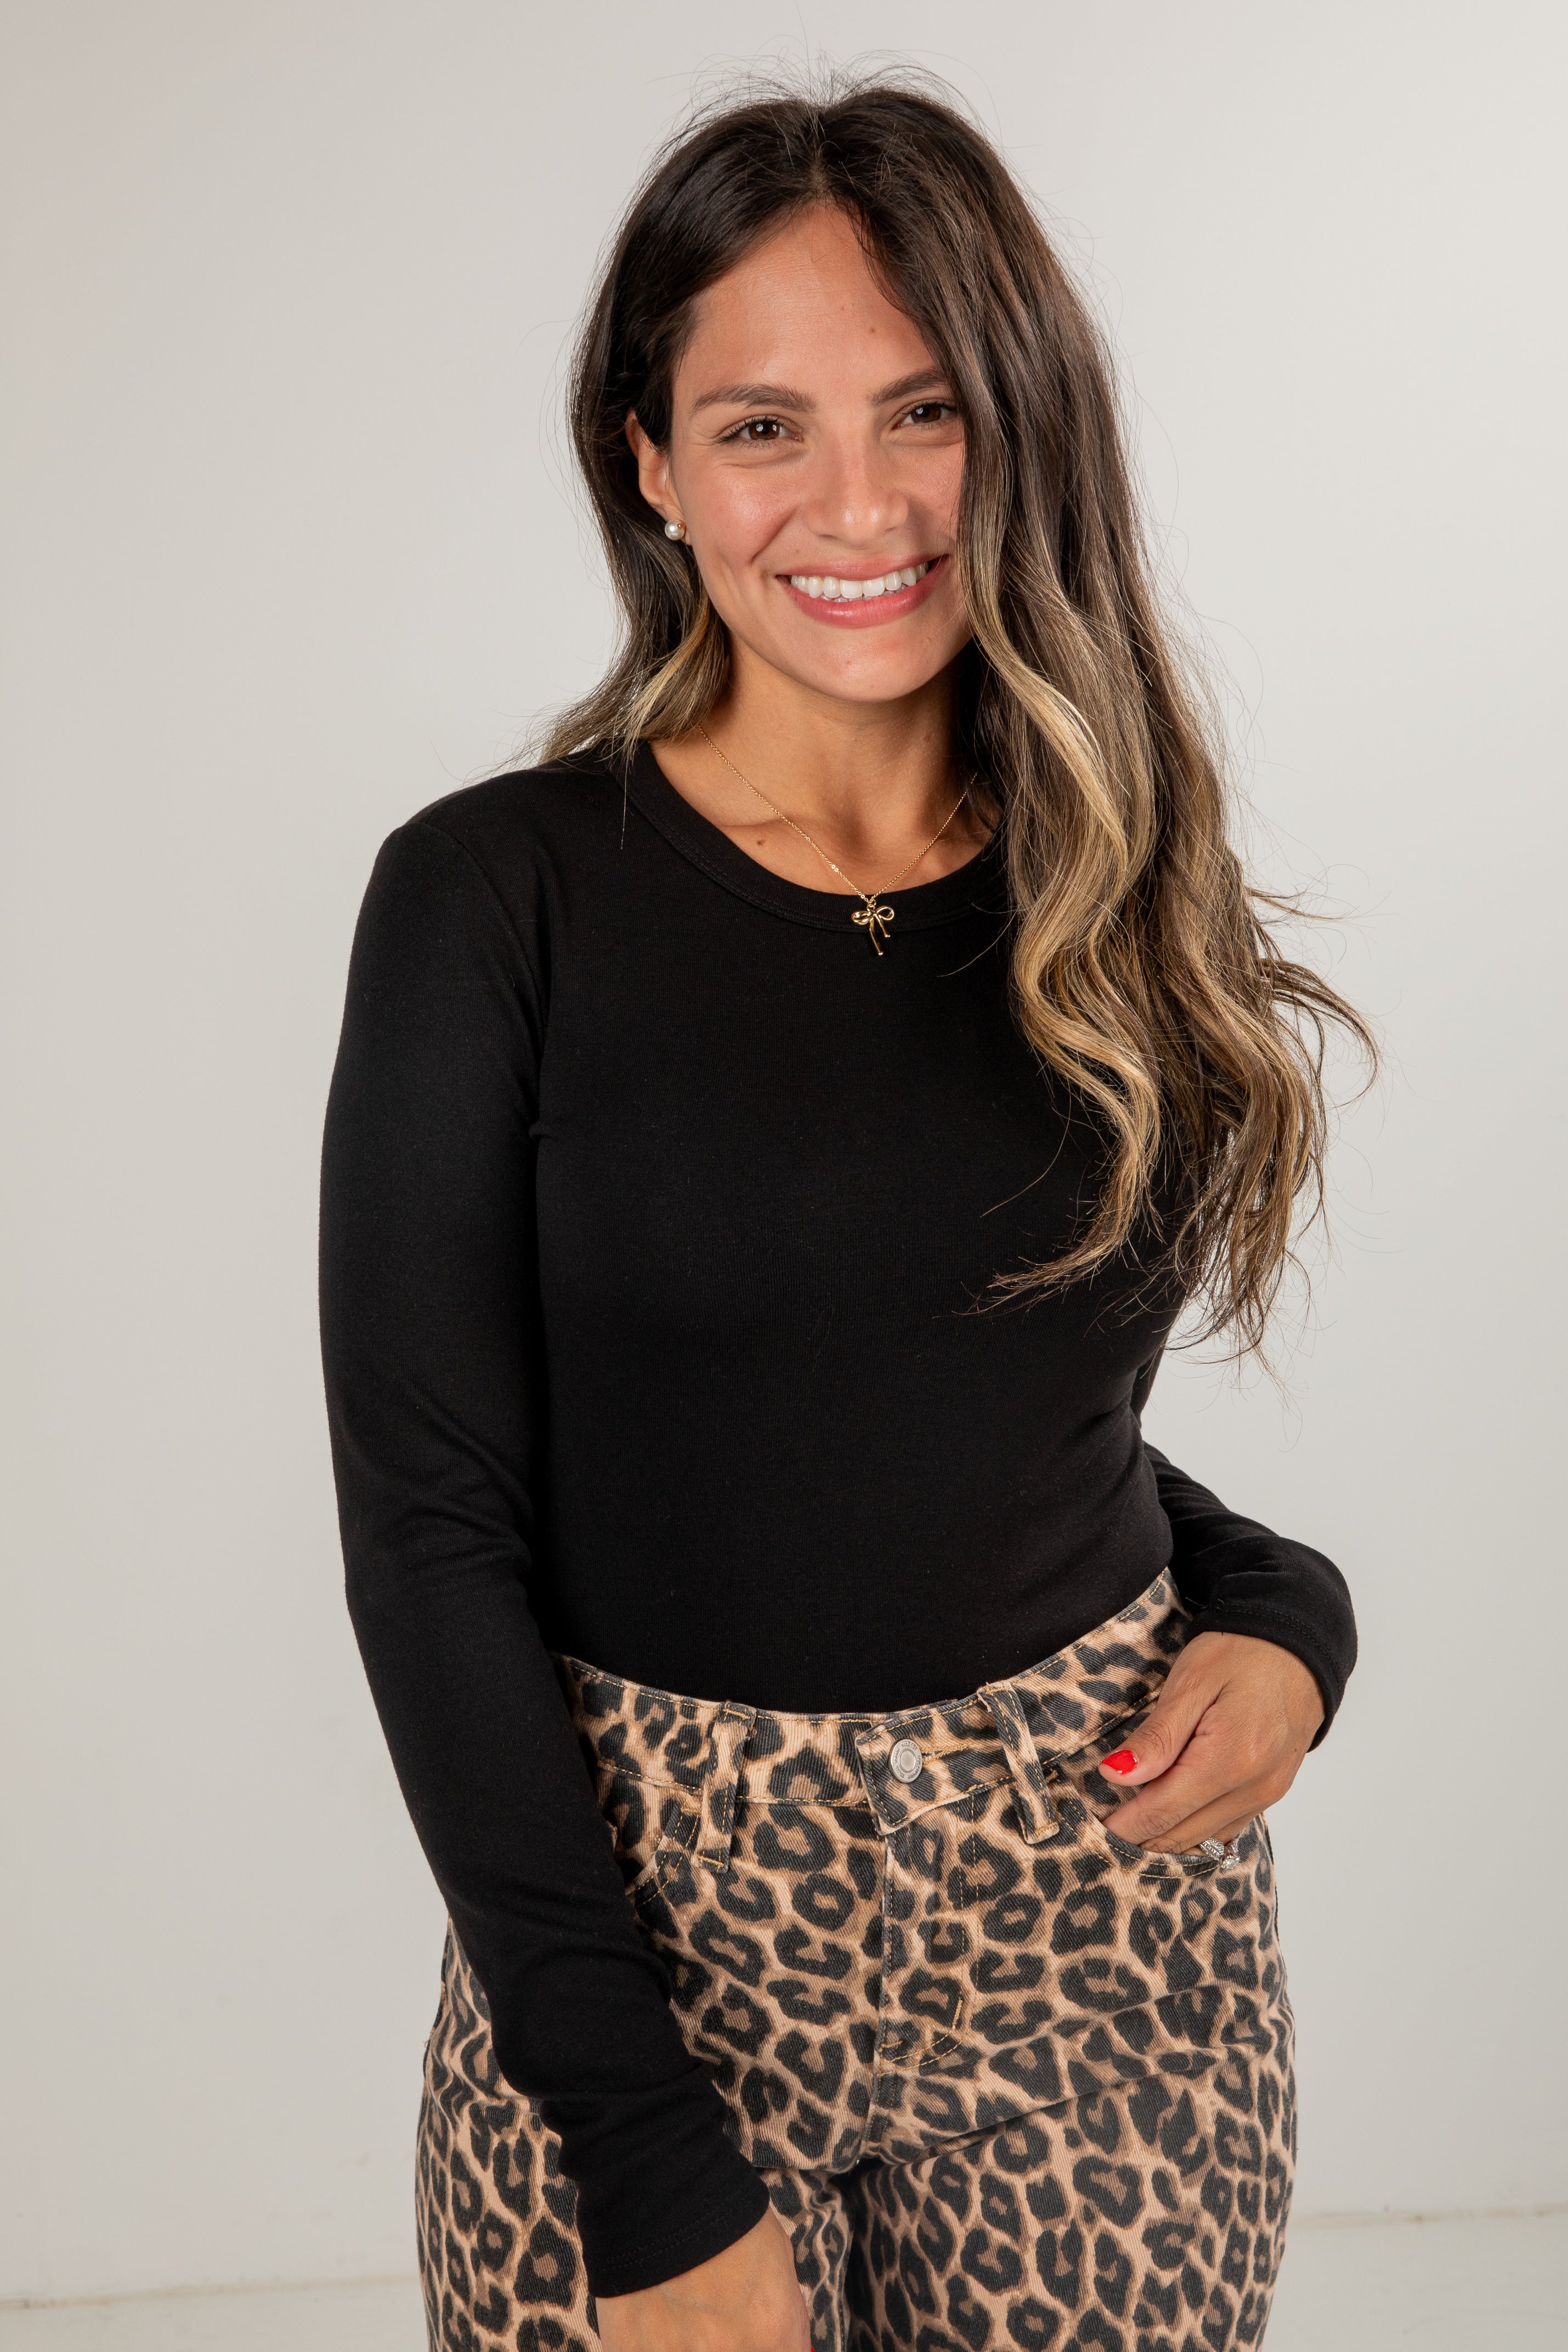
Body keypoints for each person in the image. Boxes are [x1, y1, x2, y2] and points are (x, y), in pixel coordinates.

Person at [319, 75, 1372, 2352]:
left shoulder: (1116, 885)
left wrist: (1287, 1610)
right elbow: (432, 1529)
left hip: (1099, 1936)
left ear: (1019, 424)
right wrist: (641, 2156)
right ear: (648, 464)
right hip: (643, 1954)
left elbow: (974, 1403)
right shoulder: (495, 901)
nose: (861, 502)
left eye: (921, 411)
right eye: (761, 425)